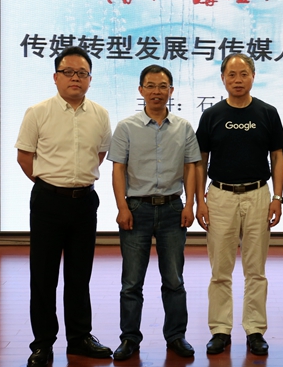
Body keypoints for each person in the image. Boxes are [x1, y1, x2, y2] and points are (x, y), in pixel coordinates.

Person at [15, 46, 113, 367]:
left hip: (84, 202)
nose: (75, 78)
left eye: (82, 73)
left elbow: (99, 155)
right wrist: (51, 183)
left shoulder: (100, 114)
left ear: (90, 80)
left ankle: (80, 338)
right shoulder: (37, 112)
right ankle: (42, 344)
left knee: (79, 275)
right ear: (55, 77)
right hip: (48, 202)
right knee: (43, 276)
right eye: (68, 72)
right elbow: (24, 157)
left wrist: (75, 181)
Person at [107, 65, 201, 360]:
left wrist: (189, 205)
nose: (156, 92)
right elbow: (118, 169)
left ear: (171, 91)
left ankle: (176, 336)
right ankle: (129, 338)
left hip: (173, 208)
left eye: (162, 86)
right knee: (131, 282)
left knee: (174, 280)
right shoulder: (126, 127)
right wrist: (122, 206)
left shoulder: (184, 127)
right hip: (137, 208)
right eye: (150, 86)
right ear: (141, 90)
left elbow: (191, 167)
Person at [195, 53, 283, 356]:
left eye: (243, 74)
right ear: (222, 78)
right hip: (220, 196)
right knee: (220, 269)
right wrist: (198, 201)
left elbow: (278, 157)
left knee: (255, 269)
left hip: (258, 194)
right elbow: (201, 159)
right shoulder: (212, 115)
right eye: (232, 74)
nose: (238, 80)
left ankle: (255, 329)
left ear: (253, 76)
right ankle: (220, 329)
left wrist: (277, 197)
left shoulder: (267, 112)